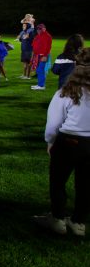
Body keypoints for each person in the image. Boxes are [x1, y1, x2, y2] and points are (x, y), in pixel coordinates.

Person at [33, 48, 90, 237]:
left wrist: (50, 142)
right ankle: (78, 223)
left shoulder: (65, 93)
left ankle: (57, 220)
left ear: (76, 67)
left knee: (58, 182)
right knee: (85, 185)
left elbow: (53, 124)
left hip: (69, 142)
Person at [31, 23, 53, 90]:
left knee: (40, 70)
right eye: (38, 29)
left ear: (44, 28)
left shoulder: (47, 36)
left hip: (43, 56)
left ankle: (41, 86)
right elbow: (33, 45)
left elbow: (48, 47)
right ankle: (39, 84)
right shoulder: (38, 36)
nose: (38, 30)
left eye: (40, 29)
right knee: (38, 70)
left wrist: (45, 56)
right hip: (37, 55)